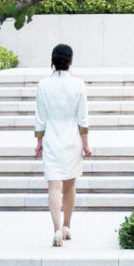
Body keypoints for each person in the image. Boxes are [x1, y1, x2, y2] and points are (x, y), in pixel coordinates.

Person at [34, 44, 92, 246]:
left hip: (51, 138)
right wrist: (86, 145)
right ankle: (67, 226)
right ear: (70, 61)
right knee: (70, 185)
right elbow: (83, 119)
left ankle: (56, 229)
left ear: (52, 60)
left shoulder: (43, 85)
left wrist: (39, 141)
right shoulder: (78, 84)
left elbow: (40, 118)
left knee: (53, 185)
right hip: (72, 139)